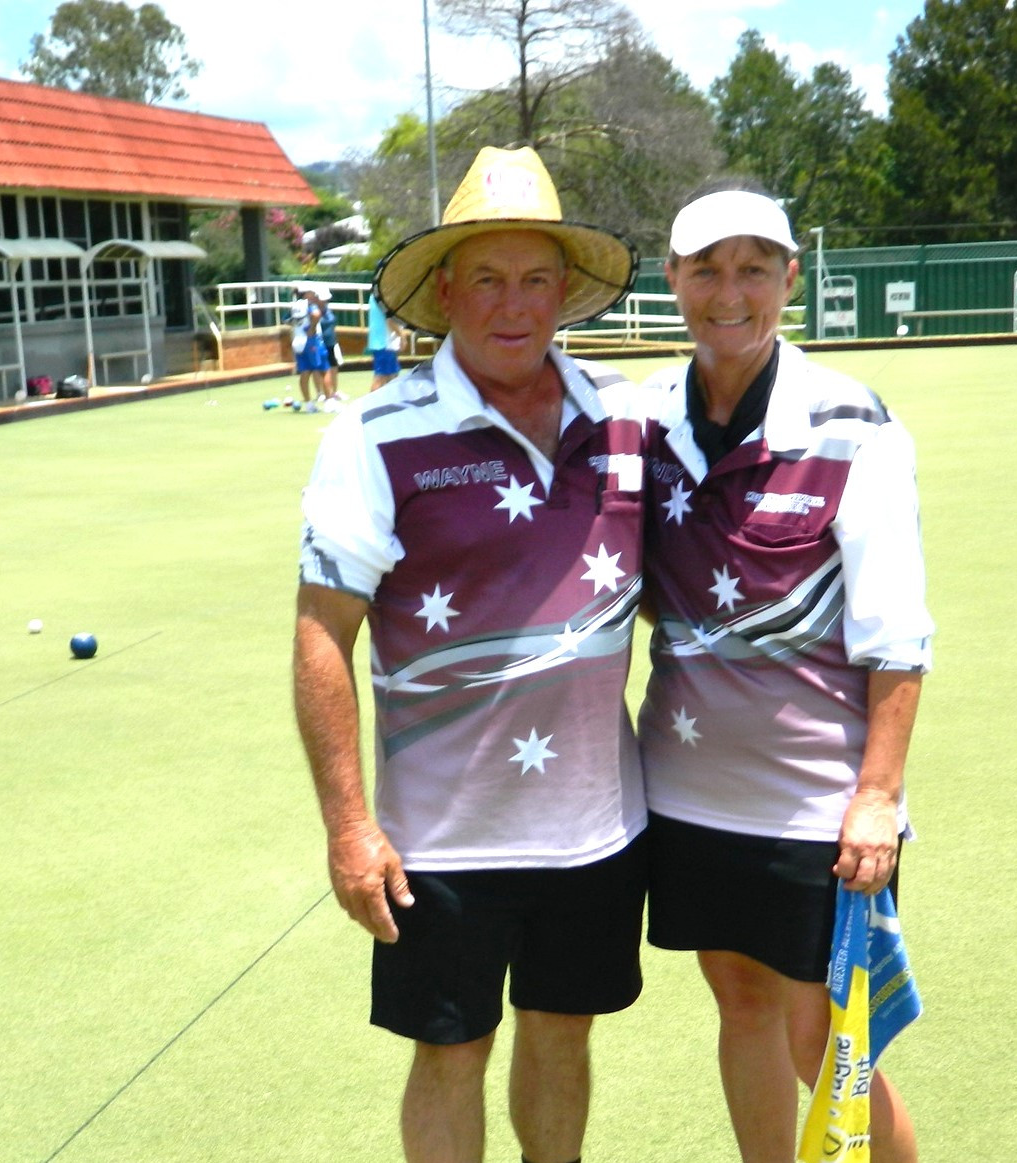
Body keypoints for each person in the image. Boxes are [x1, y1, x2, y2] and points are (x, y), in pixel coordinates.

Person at [294, 145, 646, 1163]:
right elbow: (322, 634)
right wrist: (349, 826)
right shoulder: (373, 434)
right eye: (485, 278)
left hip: (593, 825)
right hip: (438, 840)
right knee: (451, 1052)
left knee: (560, 1033)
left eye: (535, 278)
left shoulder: (624, 420)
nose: (512, 304)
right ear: (443, 289)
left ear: (564, 291)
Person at [635, 182, 933, 1163]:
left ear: (788, 278)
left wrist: (877, 796)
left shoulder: (852, 424)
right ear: (671, 279)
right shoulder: (641, 423)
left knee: (826, 1039)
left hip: (817, 804)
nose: (729, 293)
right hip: (684, 793)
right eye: (706, 269)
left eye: (753, 269)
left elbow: (896, 631)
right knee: (739, 999)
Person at [290, 282, 326, 412]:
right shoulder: (309, 305)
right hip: (309, 341)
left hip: (297, 341)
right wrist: (312, 328)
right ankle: (325, 398)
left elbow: (287, 320)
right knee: (319, 369)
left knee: (304, 372)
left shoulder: (294, 306)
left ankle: (309, 404)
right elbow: (316, 314)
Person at [366, 294, 404, 391]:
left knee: (392, 376)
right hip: (385, 344)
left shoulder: (375, 295)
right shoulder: (385, 295)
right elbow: (390, 320)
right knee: (381, 378)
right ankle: (372, 405)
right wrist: (402, 337)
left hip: (383, 343)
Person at [315, 284, 343, 408]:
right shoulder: (314, 311)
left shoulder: (327, 309)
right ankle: (321, 392)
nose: (325, 301)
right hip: (320, 343)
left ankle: (334, 392)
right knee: (319, 369)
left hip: (331, 342)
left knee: (333, 366)